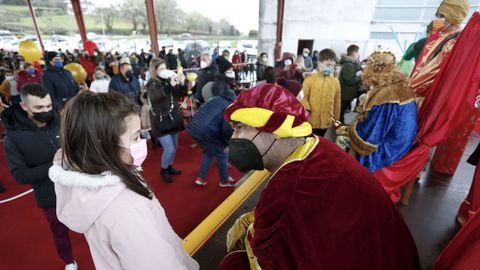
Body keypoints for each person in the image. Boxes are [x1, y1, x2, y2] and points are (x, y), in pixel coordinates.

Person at [219, 84, 420, 270]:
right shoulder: (317, 146)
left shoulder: (289, 187)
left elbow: (271, 261)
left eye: (239, 128)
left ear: (277, 129)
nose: (233, 140)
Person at [49, 91, 199, 270]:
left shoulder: (88, 187)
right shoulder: (128, 211)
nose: (142, 141)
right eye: (135, 137)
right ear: (103, 143)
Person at [1, 84, 77, 270]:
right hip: (50, 195)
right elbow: (19, 175)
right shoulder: (13, 138)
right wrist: (53, 164)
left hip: (79, 184)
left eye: (49, 106)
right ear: (24, 106)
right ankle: (69, 261)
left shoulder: (59, 119)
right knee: (60, 231)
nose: (46, 111)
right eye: (39, 108)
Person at [348, 50, 417, 173]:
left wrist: (350, 127)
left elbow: (370, 137)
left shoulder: (386, 96)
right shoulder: (401, 88)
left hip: (388, 151)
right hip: (402, 144)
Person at [146, 58, 186, 183]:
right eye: (161, 69)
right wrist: (170, 86)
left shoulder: (168, 80)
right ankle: (164, 170)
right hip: (160, 120)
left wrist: (182, 83)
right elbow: (155, 97)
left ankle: (169, 166)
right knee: (169, 149)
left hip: (173, 118)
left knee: (174, 148)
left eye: (165, 68)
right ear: (155, 71)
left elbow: (179, 94)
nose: (164, 71)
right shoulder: (151, 83)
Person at [187, 89, 237, 187]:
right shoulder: (229, 106)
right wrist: (226, 144)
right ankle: (224, 181)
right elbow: (226, 129)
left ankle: (201, 178)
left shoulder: (215, 98)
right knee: (222, 154)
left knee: (209, 152)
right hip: (207, 131)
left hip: (194, 128)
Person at [300, 48, 341, 137]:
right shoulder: (309, 80)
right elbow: (303, 98)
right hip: (311, 121)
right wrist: (307, 113)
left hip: (327, 121)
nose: (330, 68)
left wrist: (336, 120)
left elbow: (337, 102)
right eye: (327, 64)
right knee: (309, 142)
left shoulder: (335, 82)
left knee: (320, 142)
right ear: (319, 63)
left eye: (332, 65)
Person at [339, 44, 362, 123]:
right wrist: (360, 78)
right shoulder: (348, 65)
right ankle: (338, 125)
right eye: (357, 52)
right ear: (353, 53)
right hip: (346, 92)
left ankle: (338, 123)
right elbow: (349, 80)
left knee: (342, 109)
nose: (358, 55)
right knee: (341, 111)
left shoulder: (350, 63)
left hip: (346, 92)